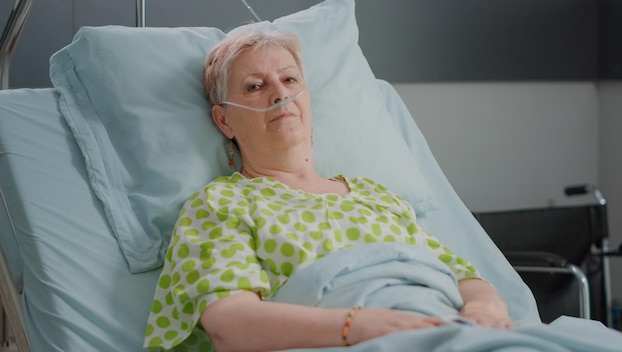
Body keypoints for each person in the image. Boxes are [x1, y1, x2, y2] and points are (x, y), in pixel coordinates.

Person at [144, 29, 512, 352]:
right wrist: (358, 326)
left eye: (289, 80)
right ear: (224, 120)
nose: (278, 95)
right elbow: (231, 324)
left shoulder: (377, 196)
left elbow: (465, 278)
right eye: (255, 86)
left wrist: (483, 312)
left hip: (447, 329)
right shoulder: (221, 204)